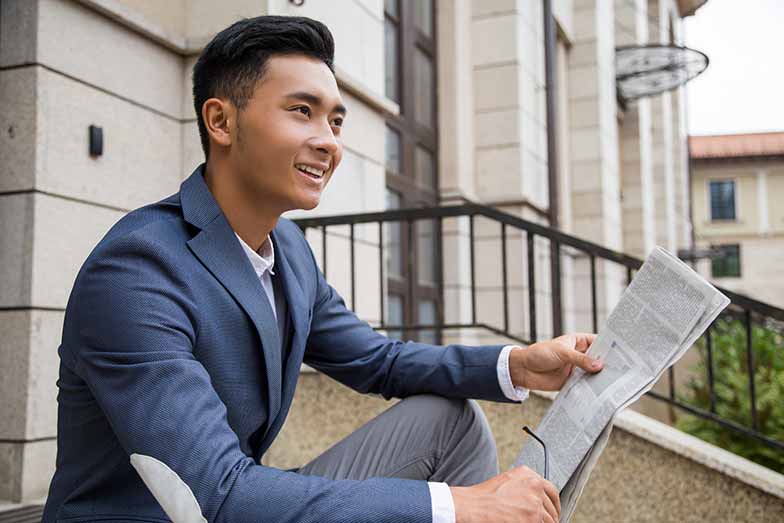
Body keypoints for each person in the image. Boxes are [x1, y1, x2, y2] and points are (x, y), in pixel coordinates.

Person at [42, 15, 603, 523]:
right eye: (301, 111)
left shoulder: (287, 248)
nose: (328, 142)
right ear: (221, 121)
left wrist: (520, 365)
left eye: (335, 121)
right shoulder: (137, 270)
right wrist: (461, 505)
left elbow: (377, 361)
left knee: (450, 419)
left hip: (235, 499)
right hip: (198, 509)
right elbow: (217, 494)